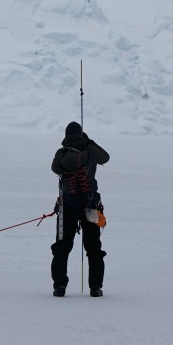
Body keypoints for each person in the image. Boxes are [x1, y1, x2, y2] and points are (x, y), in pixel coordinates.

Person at [50, 121, 110, 297]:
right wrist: (89, 142)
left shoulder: (61, 153)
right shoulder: (90, 150)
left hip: (66, 207)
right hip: (90, 206)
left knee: (62, 247)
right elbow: (105, 157)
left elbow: (55, 169)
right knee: (93, 248)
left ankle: (59, 286)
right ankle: (95, 288)